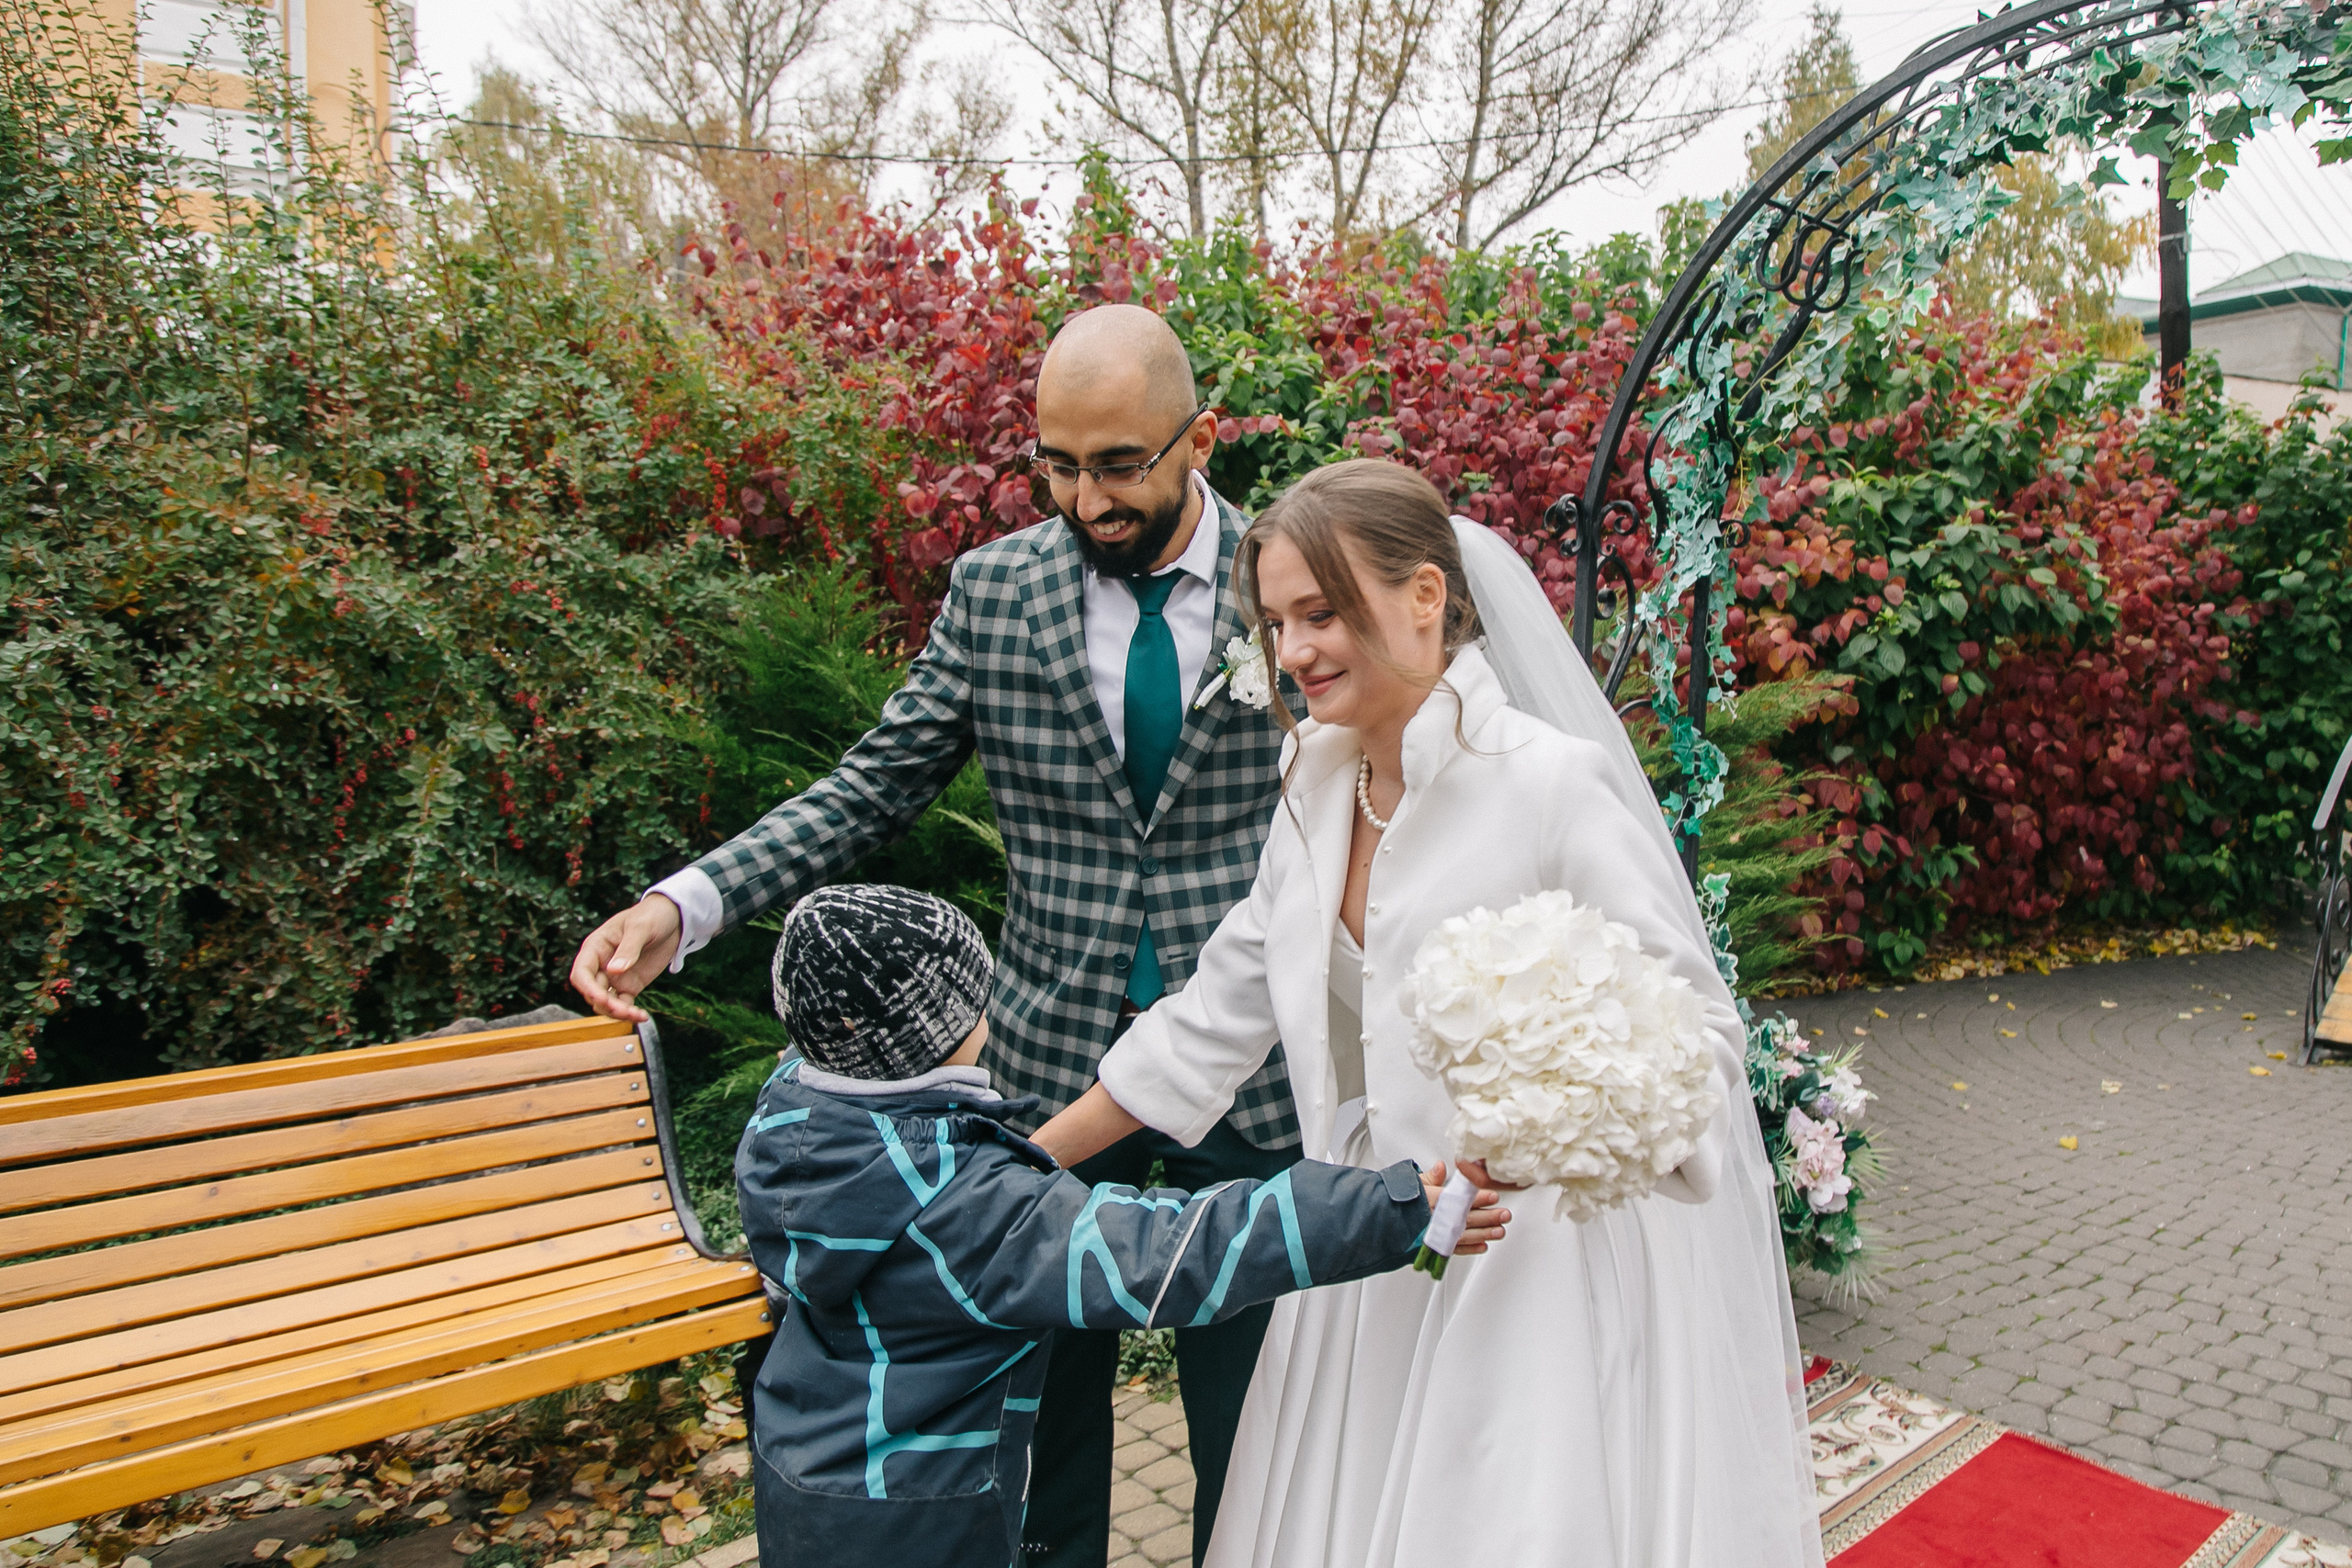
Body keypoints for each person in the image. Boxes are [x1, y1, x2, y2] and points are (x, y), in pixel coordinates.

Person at [570, 305, 1304, 1568]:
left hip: (1254, 1062)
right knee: (1044, 1432)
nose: (1088, 497)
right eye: (1059, 465)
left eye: (1120, 463)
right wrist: (680, 902)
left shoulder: (1282, 579)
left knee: (1256, 1427)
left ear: (1202, 437)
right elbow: (871, 784)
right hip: (1051, 1072)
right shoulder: (997, 589)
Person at [1035, 460, 1826, 1567]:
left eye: (1322, 612)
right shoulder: (1309, 787)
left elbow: (1695, 1038)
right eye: (1274, 623)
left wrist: (1542, 1135)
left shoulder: (1549, 783)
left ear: (1423, 598)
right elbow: (1207, 1019)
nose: (1294, 651)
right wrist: (1023, 1164)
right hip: (1358, 1260)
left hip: (1525, 1277)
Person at [738, 884, 1509, 1568]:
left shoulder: (793, 1128)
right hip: (925, 1516)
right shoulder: (972, 1212)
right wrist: (1387, 1206)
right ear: (952, 1027)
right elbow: (1174, 1253)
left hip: (799, 1479)